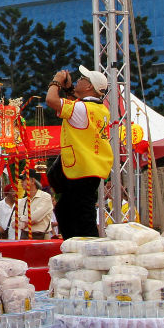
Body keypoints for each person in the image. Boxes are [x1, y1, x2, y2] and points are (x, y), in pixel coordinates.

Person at [46, 65, 112, 238]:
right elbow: (74, 104)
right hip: (88, 167)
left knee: (83, 216)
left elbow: (51, 100)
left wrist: (56, 82)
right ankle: (74, 244)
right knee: (66, 210)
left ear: (89, 87)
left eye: (83, 79)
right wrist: (69, 90)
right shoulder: (100, 108)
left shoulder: (83, 108)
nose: (78, 80)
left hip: (81, 168)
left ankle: (89, 249)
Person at [15, 175, 55, 239]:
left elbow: (34, 218)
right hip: (24, 235)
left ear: (32, 181)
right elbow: (14, 221)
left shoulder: (45, 197)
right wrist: (25, 221)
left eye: (24, 180)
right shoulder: (22, 201)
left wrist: (21, 220)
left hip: (41, 236)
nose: (21, 182)